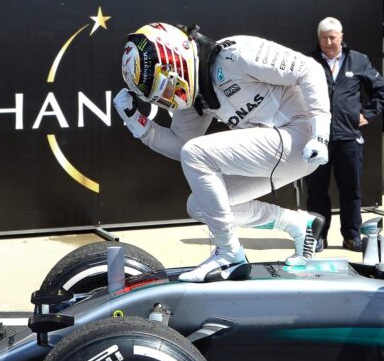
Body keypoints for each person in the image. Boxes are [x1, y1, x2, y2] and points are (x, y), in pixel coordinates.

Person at [114, 22, 330, 283]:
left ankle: (229, 253)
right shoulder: (196, 96)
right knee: (200, 205)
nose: (170, 98)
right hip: (277, 152)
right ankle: (297, 224)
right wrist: (136, 121)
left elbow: (309, 69)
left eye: (167, 86)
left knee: (197, 155)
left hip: (302, 138)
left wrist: (320, 133)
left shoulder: (234, 54)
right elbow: (182, 145)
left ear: (174, 60)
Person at [305, 17, 384, 253]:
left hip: (349, 138)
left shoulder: (358, 60)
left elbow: (380, 90)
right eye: (324, 37)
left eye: (333, 37)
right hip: (317, 138)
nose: (329, 42)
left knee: (351, 191)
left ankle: (352, 237)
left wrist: (368, 115)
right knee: (317, 192)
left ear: (341, 36)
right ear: (318, 39)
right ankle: (318, 237)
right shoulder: (308, 62)